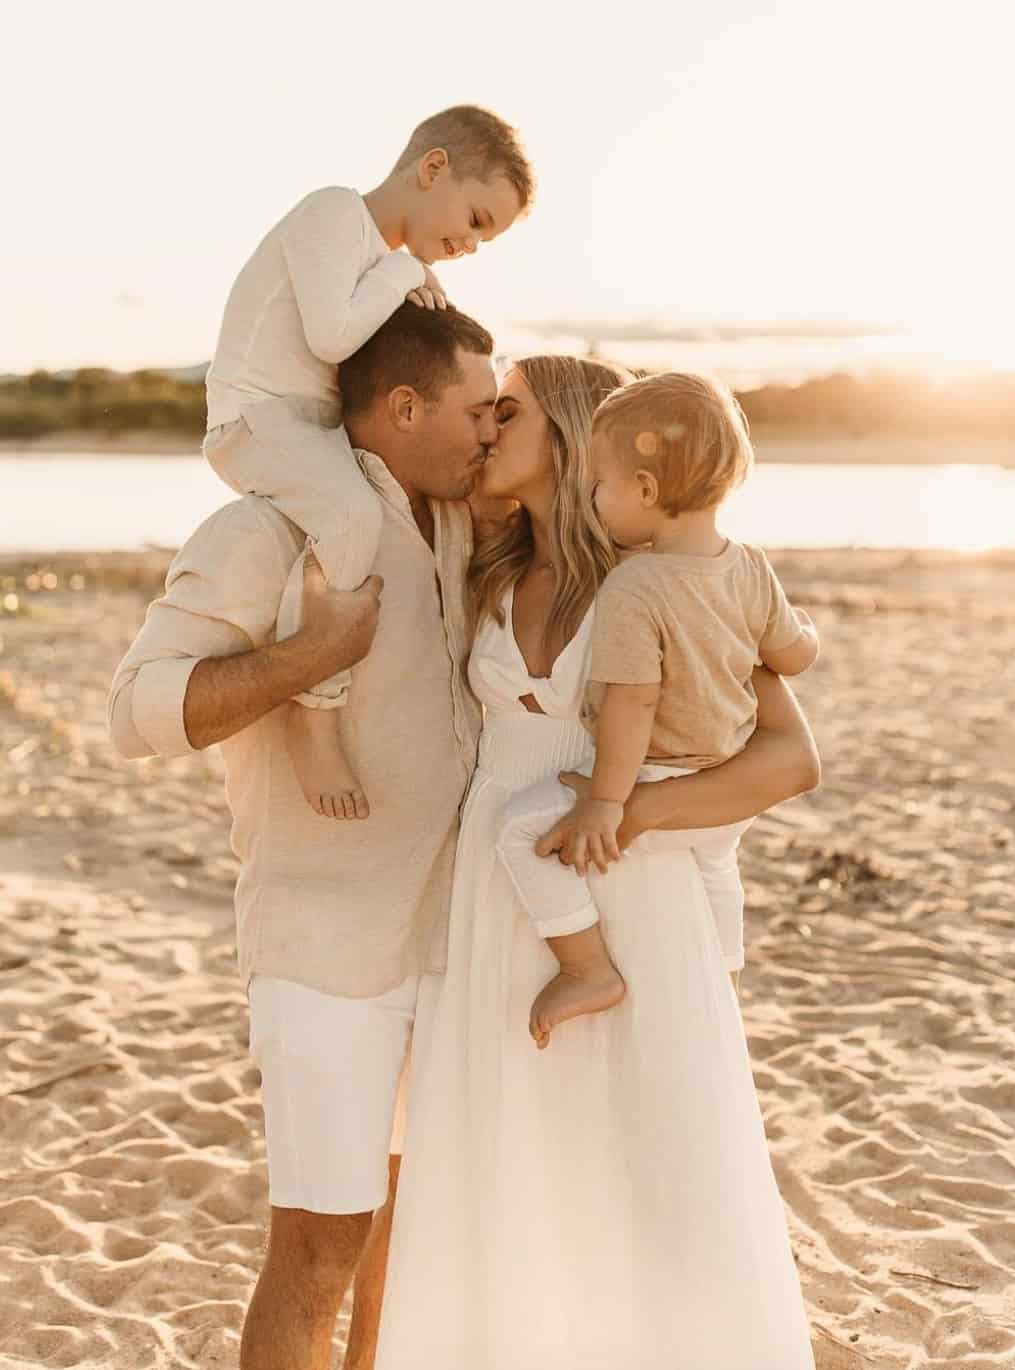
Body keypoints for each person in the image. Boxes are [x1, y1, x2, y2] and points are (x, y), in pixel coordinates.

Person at [373, 355, 819, 1369]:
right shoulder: (482, 567)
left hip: (627, 886)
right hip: (496, 898)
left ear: (574, 437)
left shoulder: (663, 580)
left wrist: (626, 812)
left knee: (647, 1157)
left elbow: (791, 758)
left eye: (510, 410)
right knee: (509, 1159)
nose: (486, 426)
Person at [108, 304, 498, 1370]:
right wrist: (307, 653)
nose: (491, 430)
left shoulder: (464, 526)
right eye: (476, 409)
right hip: (329, 953)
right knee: (323, 1244)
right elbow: (136, 710)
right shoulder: (261, 531)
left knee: (408, 1238)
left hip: (456, 947)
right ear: (404, 406)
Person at [203, 105, 532, 821]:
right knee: (351, 513)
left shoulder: (387, 265)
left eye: (486, 237)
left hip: (314, 429)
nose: (472, 245)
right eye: (476, 219)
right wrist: (405, 270)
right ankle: (317, 711)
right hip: (256, 417)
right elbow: (331, 336)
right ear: (433, 168)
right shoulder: (332, 213)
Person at [497, 371, 820, 1047]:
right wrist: (809, 635)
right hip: (723, 792)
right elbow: (791, 654)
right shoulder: (750, 566)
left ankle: (585, 967)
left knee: (520, 834)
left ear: (644, 490)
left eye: (602, 484)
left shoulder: (635, 584)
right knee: (717, 873)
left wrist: (609, 805)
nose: (595, 497)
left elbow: (633, 704)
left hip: (663, 780)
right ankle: (726, 976)